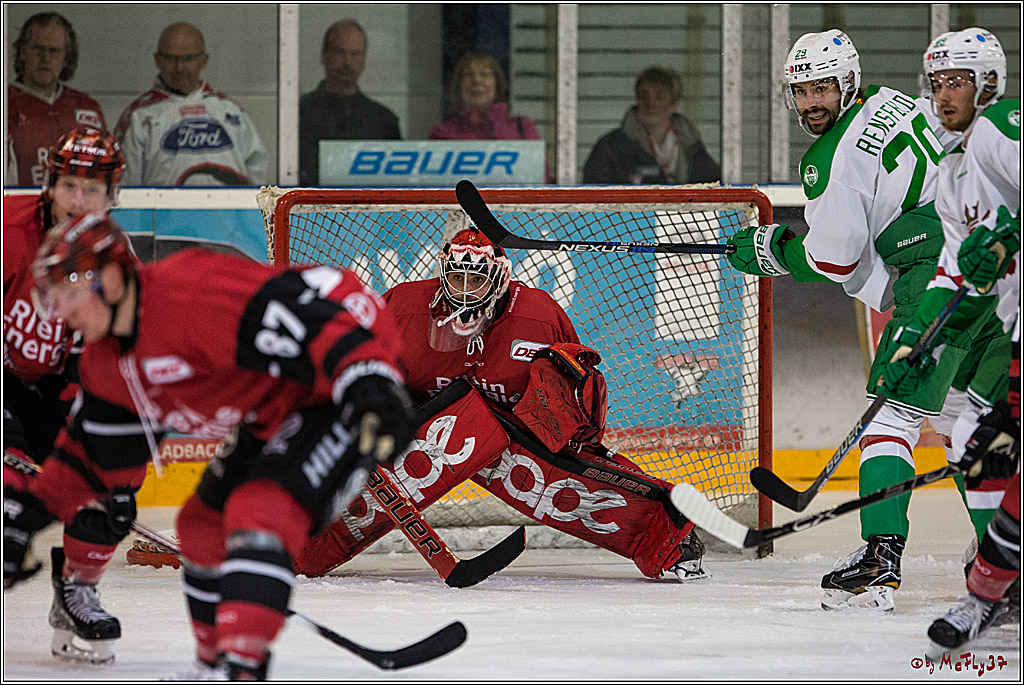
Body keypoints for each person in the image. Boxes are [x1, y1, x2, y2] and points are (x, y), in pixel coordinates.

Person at [3, 210, 415, 680]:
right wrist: (28, 516)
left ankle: (241, 668)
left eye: (70, 294)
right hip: (274, 404)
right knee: (201, 526)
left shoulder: (188, 295)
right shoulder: (104, 362)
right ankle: (212, 665)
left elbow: (310, 315)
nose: (63, 313)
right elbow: (89, 459)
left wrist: (370, 379)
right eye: (54, 298)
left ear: (113, 280)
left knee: (261, 509)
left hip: (340, 374)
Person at [723, 29, 986, 613]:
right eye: (801, 91)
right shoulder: (895, 101)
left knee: (890, 420)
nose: (811, 102)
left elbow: (833, 259)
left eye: (822, 88)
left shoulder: (829, 159)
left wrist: (773, 251)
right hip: (984, 269)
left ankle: (878, 564)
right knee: (962, 418)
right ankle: (1003, 555)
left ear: (847, 83)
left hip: (934, 283)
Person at [296, 220, 709, 584]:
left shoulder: (538, 316)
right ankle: (296, 538)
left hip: (514, 432)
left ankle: (665, 537)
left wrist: (567, 428)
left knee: (554, 478)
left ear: (500, 280)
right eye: (457, 278)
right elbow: (354, 363)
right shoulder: (404, 306)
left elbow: (576, 394)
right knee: (378, 462)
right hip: (427, 424)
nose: (464, 291)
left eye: (475, 280)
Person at [871, 27, 1019, 651]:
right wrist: (917, 343)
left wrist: (1011, 237)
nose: (943, 95)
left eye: (956, 81)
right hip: (1016, 336)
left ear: (988, 83)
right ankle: (1000, 591)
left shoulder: (1003, 129)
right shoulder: (954, 171)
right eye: (936, 83)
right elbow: (956, 279)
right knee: (978, 444)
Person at [3, 125, 139, 665]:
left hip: (55, 386)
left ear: (111, 196)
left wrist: (92, 451)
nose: (78, 201)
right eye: (68, 186)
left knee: (112, 473)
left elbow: (106, 364)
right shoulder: (9, 232)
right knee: (9, 489)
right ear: (49, 185)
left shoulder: (113, 257)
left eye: (92, 190)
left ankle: (77, 589)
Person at [113, 22, 268, 186]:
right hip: (162, 204)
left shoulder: (231, 111)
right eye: (171, 58)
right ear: (157, 60)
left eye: (188, 59)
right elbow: (123, 186)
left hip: (229, 204)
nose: (179, 68)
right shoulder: (139, 115)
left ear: (204, 60)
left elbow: (257, 174)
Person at [6, 12, 105, 186]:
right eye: (37, 49)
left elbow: (104, 176)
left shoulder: (88, 107)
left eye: (54, 51)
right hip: (21, 203)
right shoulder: (7, 104)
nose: (45, 58)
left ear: (66, 58)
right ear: (22, 52)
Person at [299, 20, 401, 186]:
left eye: (355, 54)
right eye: (340, 52)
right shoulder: (300, 114)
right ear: (324, 55)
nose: (347, 62)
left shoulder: (383, 121)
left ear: (364, 59)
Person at [583, 66, 720, 185]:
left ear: (674, 104)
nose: (651, 104)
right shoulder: (610, 147)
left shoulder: (691, 145)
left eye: (659, 97)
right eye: (644, 96)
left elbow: (714, 184)